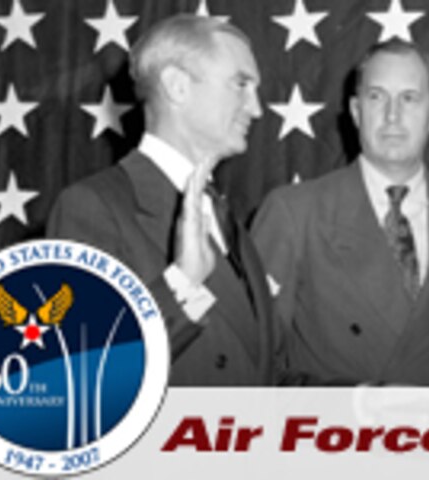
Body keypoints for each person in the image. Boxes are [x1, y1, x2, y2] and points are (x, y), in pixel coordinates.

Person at [47, 15, 287, 386]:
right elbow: (84, 373)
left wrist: (366, 397)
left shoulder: (224, 217)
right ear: (177, 86)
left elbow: (261, 382)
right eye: (240, 84)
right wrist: (183, 283)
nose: (256, 108)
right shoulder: (92, 207)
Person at [251, 39, 429, 386]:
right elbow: (253, 361)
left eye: (409, 98)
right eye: (376, 97)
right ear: (356, 111)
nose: (392, 115)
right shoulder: (294, 214)